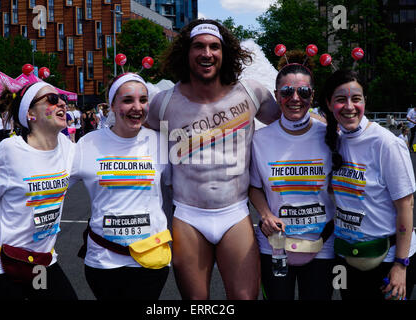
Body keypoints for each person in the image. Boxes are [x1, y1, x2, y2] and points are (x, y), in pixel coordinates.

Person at [146, 19, 281, 300]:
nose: (206, 53)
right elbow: (132, 140)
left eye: (214, 47)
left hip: (234, 212)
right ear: (186, 52)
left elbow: (290, 124)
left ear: (225, 53)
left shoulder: (251, 94)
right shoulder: (164, 102)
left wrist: (333, 127)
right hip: (187, 215)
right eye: (198, 46)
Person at [0, 82, 78, 300]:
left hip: (40, 265)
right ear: (30, 114)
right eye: (52, 99)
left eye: (61, 98)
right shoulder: (11, 150)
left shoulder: (70, 149)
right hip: (1, 267)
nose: (62, 102)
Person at [72, 72, 171, 300]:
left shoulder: (162, 141)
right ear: (113, 105)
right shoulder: (87, 144)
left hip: (151, 258)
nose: (137, 107)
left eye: (143, 100)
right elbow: (52, 180)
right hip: (103, 260)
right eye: (128, 100)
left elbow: (186, 185)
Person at [321, 69, 416, 300]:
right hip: (345, 258)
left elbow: (406, 206)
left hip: (388, 259)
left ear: (365, 101)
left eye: (356, 99)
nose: (349, 106)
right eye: (340, 100)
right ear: (329, 104)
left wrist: (401, 265)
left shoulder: (387, 143)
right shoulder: (334, 139)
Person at [248, 51, 335, 300]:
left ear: (313, 95)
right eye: (286, 92)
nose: (295, 98)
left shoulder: (329, 135)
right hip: (275, 244)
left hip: (322, 243)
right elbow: (254, 186)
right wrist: (265, 214)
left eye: (304, 92)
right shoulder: (260, 139)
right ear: (276, 96)